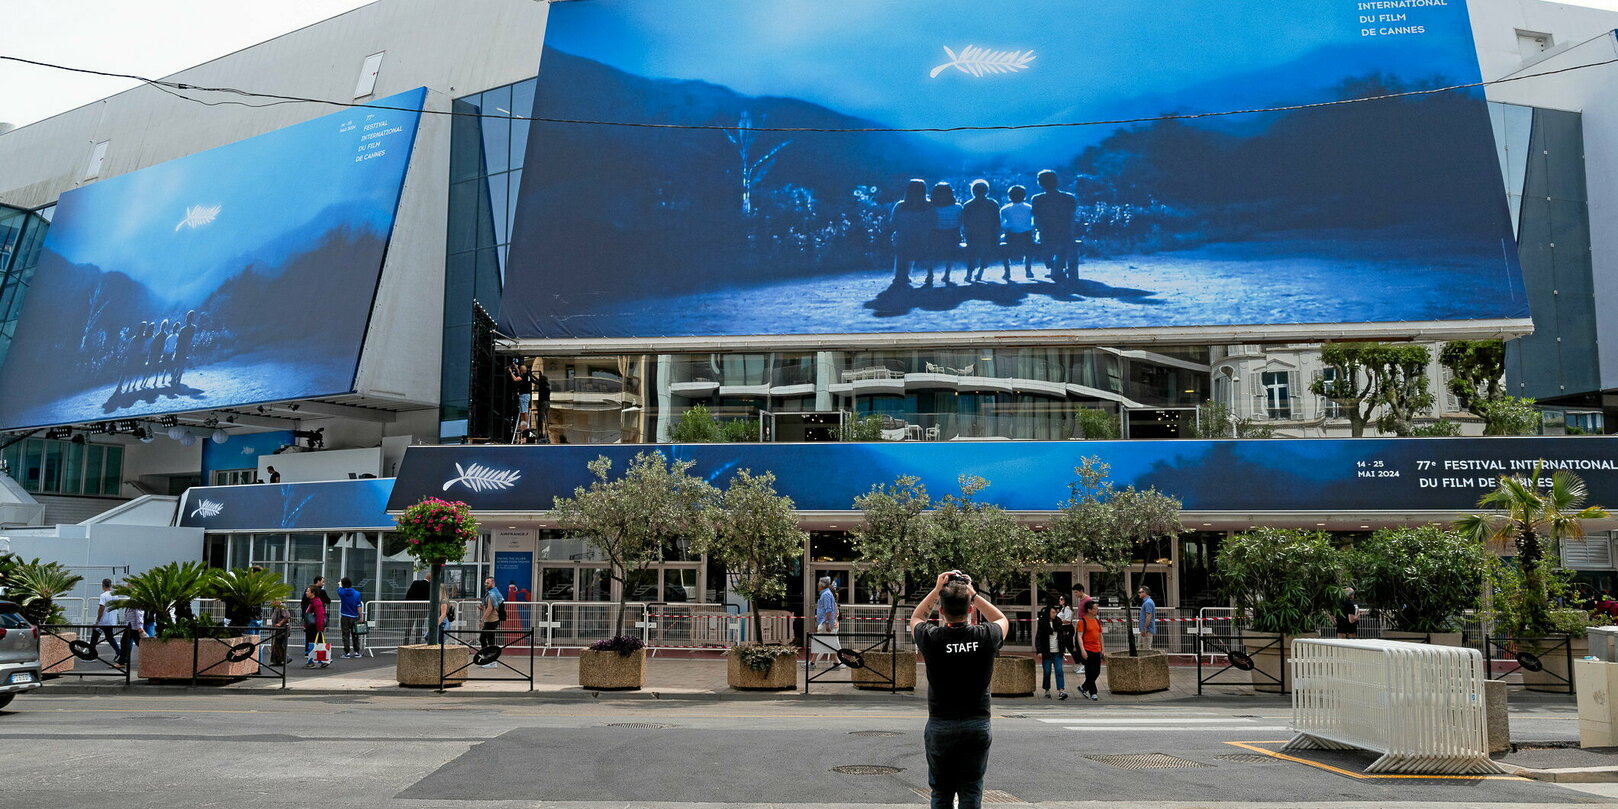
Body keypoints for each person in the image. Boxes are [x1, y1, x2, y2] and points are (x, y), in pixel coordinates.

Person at [909, 571, 1008, 809]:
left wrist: (936, 590)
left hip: (941, 724)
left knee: (941, 792)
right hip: (976, 724)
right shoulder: (985, 636)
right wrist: (973, 593)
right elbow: (1002, 619)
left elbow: (916, 618)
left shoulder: (932, 637)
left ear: (941, 611)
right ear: (971, 610)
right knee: (971, 790)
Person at [1031, 170, 1078, 285]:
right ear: (1057, 181)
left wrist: (1039, 229)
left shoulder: (1037, 199)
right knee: (1063, 243)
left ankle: (1053, 266)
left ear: (1040, 183)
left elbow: (1036, 219)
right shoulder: (1069, 197)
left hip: (1046, 234)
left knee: (1043, 240)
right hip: (1066, 233)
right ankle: (1057, 267)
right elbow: (1072, 217)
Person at [890, 179, 933, 288]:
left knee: (902, 240)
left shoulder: (900, 206)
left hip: (904, 238)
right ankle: (925, 274)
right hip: (924, 239)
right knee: (916, 240)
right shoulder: (929, 205)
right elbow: (933, 221)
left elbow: (893, 222)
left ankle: (901, 275)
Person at [960, 180, 1001, 283]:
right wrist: (997, 236)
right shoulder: (993, 204)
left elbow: (965, 223)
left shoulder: (968, 205)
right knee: (985, 253)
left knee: (971, 254)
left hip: (973, 235)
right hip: (989, 234)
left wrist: (965, 235)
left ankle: (969, 274)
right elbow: (997, 222)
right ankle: (980, 272)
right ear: (987, 191)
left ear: (973, 191)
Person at [929, 182, 963, 286]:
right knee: (950, 253)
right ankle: (947, 274)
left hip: (936, 234)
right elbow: (960, 222)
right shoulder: (958, 207)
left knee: (931, 253)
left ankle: (930, 274)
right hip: (952, 235)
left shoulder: (931, 207)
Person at [1035, 606, 1069, 700]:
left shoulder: (1058, 621)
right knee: (1047, 671)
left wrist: (1063, 650)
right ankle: (1047, 689)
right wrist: (1039, 651)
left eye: (1056, 612)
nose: (1055, 614)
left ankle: (1061, 691)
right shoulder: (1042, 622)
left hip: (1057, 651)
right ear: (1048, 613)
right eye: (1053, 612)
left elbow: (1061, 637)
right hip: (1047, 651)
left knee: (1059, 670)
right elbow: (1038, 638)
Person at [1075, 599, 1104, 700]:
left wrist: (1102, 649)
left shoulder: (1097, 621)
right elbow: (1079, 636)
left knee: (1096, 671)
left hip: (1097, 649)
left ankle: (1084, 687)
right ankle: (1093, 693)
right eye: (1095, 609)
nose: (1097, 610)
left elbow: (1100, 635)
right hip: (1087, 649)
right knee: (1090, 671)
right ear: (1089, 610)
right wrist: (1082, 650)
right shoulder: (1082, 621)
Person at [814, 575, 839, 669]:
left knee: (818, 642)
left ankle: (812, 663)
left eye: (819, 583)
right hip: (825, 623)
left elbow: (828, 610)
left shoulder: (826, 595)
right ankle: (836, 662)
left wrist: (828, 623)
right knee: (830, 643)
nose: (817, 584)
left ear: (822, 585)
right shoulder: (826, 594)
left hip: (825, 623)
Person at [478, 576, 504, 667]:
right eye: (485, 582)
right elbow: (490, 608)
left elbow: (490, 609)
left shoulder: (491, 594)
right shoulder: (493, 593)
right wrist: (482, 609)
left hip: (491, 620)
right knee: (488, 639)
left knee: (486, 640)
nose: (485, 584)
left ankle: (490, 660)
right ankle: (488, 659)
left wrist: (482, 619)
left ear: (492, 583)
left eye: (487, 583)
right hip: (492, 620)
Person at [337, 577, 365, 659]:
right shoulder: (357, 593)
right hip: (354, 616)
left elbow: (339, 589)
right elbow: (359, 606)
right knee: (355, 634)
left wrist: (340, 585)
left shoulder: (341, 592)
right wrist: (361, 616)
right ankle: (356, 652)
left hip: (345, 616)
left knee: (345, 634)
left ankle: (347, 652)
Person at [93, 578, 121, 658]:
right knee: (109, 637)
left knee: (95, 635)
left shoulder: (103, 595)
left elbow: (101, 608)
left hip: (103, 620)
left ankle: (92, 654)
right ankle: (119, 652)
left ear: (103, 585)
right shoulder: (115, 595)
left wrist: (98, 620)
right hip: (111, 620)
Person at [302, 585, 328, 669]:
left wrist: (320, 628)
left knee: (312, 644)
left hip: (314, 627)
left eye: (308, 591)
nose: (306, 592)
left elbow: (320, 615)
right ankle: (323, 661)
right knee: (317, 643)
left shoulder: (316, 602)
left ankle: (312, 662)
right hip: (312, 626)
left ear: (313, 593)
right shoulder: (312, 601)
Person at [508, 358, 533, 443]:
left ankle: (525, 425)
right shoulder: (528, 375)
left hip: (524, 395)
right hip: (526, 395)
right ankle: (524, 424)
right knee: (523, 410)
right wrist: (516, 367)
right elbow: (520, 373)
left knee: (524, 411)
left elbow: (515, 379)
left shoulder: (523, 376)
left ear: (522, 371)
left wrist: (511, 372)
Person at [115, 600, 144, 667]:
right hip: (130, 626)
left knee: (140, 643)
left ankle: (152, 656)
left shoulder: (135, 600)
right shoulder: (131, 599)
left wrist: (140, 626)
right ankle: (121, 662)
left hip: (133, 626)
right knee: (125, 642)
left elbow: (139, 614)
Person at [405, 573, 431, 644]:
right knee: (419, 626)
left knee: (409, 625)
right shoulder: (430, 586)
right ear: (430, 579)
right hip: (423, 608)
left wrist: (407, 606)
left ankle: (406, 642)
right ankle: (417, 642)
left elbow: (408, 594)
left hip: (412, 607)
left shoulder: (415, 583)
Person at [267, 598, 292, 666]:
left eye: (272, 601)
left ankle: (285, 658)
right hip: (277, 630)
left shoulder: (282, 607)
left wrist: (280, 623)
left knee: (280, 645)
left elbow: (287, 616)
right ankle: (277, 660)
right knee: (276, 645)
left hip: (281, 630)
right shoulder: (275, 608)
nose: (271, 602)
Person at [532, 368, 552, 441]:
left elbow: (536, 381)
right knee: (546, 418)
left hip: (543, 402)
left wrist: (530, 376)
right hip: (548, 402)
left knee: (541, 418)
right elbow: (537, 381)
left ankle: (541, 433)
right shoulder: (547, 386)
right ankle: (547, 432)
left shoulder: (542, 385)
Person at [1137, 586, 1157, 651]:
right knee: (1141, 647)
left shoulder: (1148, 603)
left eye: (1140, 592)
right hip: (1145, 629)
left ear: (1145, 592)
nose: (1139, 594)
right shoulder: (1147, 602)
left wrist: (1145, 628)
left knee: (1146, 649)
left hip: (1147, 629)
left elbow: (1148, 616)